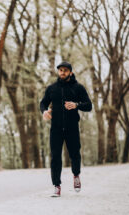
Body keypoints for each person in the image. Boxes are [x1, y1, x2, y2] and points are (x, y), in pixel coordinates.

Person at [40, 61, 92, 197]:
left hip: (72, 126)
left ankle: (76, 175)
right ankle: (56, 186)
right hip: (56, 128)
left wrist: (76, 105)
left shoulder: (78, 88)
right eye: (60, 70)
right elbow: (43, 102)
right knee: (55, 157)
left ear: (70, 72)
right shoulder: (52, 88)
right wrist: (44, 111)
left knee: (75, 153)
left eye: (65, 70)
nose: (62, 72)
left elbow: (89, 105)